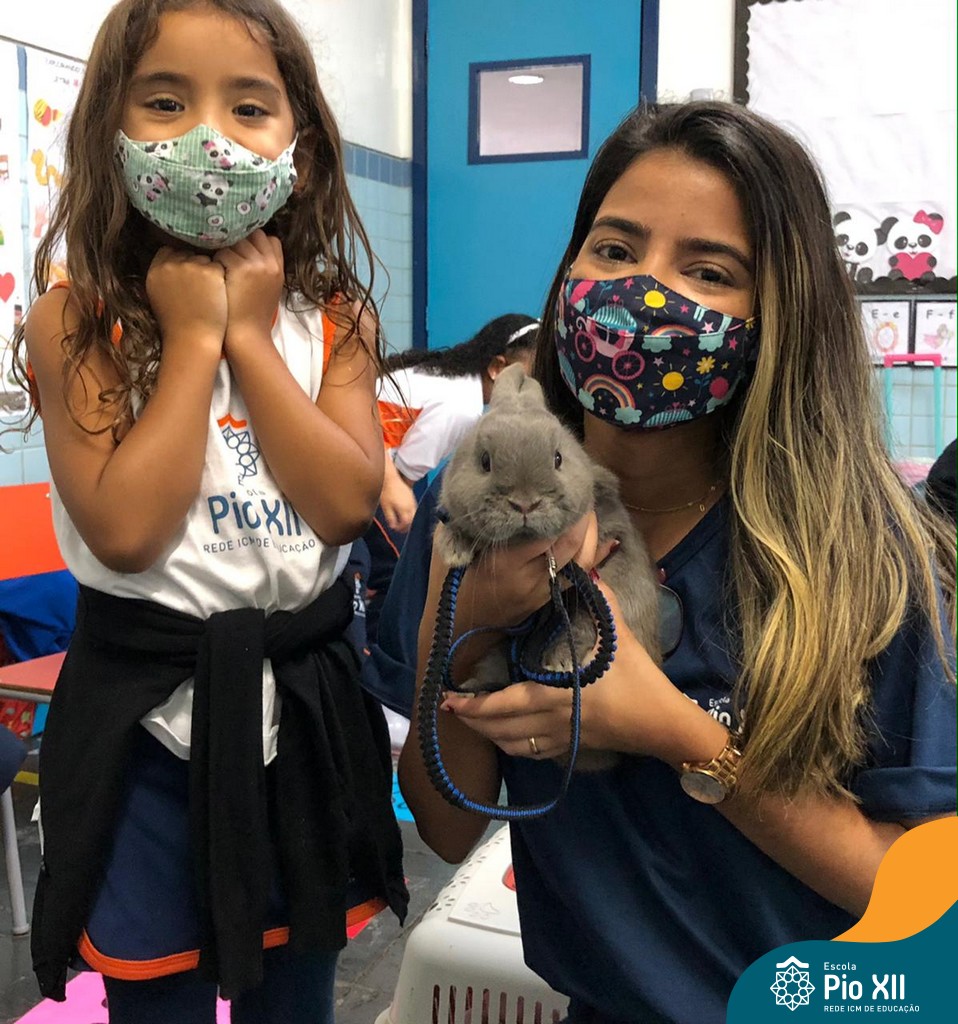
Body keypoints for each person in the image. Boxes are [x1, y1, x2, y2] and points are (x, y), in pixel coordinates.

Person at [397, 102, 957, 1024]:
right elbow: (450, 824)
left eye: (708, 271)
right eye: (615, 249)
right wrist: (459, 625)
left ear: (777, 316)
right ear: (569, 272)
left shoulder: (868, 561)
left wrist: (679, 733)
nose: (642, 291)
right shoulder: (481, 507)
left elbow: (926, 897)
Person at [11, 1, 408, 1021]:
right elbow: (127, 531)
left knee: (298, 986)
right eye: (164, 102)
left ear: (301, 157)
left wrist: (250, 342)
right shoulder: (75, 318)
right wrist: (192, 340)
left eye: (249, 107)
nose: (208, 139)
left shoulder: (334, 316)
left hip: (300, 717)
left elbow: (342, 505)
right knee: (158, 997)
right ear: (110, 133)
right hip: (145, 728)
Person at [361, 314, 538, 646]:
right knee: (402, 570)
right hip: (360, 474)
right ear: (497, 368)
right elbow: (400, 481)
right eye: (525, 379)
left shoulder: (450, 380)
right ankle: (378, 655)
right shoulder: (462, 407)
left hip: (362, 464)